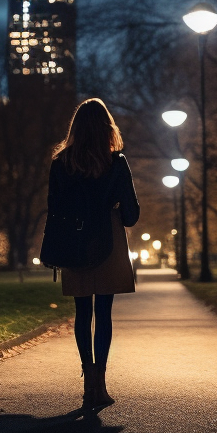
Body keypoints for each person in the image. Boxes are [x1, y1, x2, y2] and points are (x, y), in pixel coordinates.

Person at [47, 97, 139, 408]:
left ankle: (88, 381)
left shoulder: (61, 164)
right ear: (106, 128)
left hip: (74, 240)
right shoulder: (117, 163)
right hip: (108, 241)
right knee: (104, 313)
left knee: (82, 313)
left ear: (76, 129)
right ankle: (100, 383)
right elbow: (131, 215)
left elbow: (54, 208)